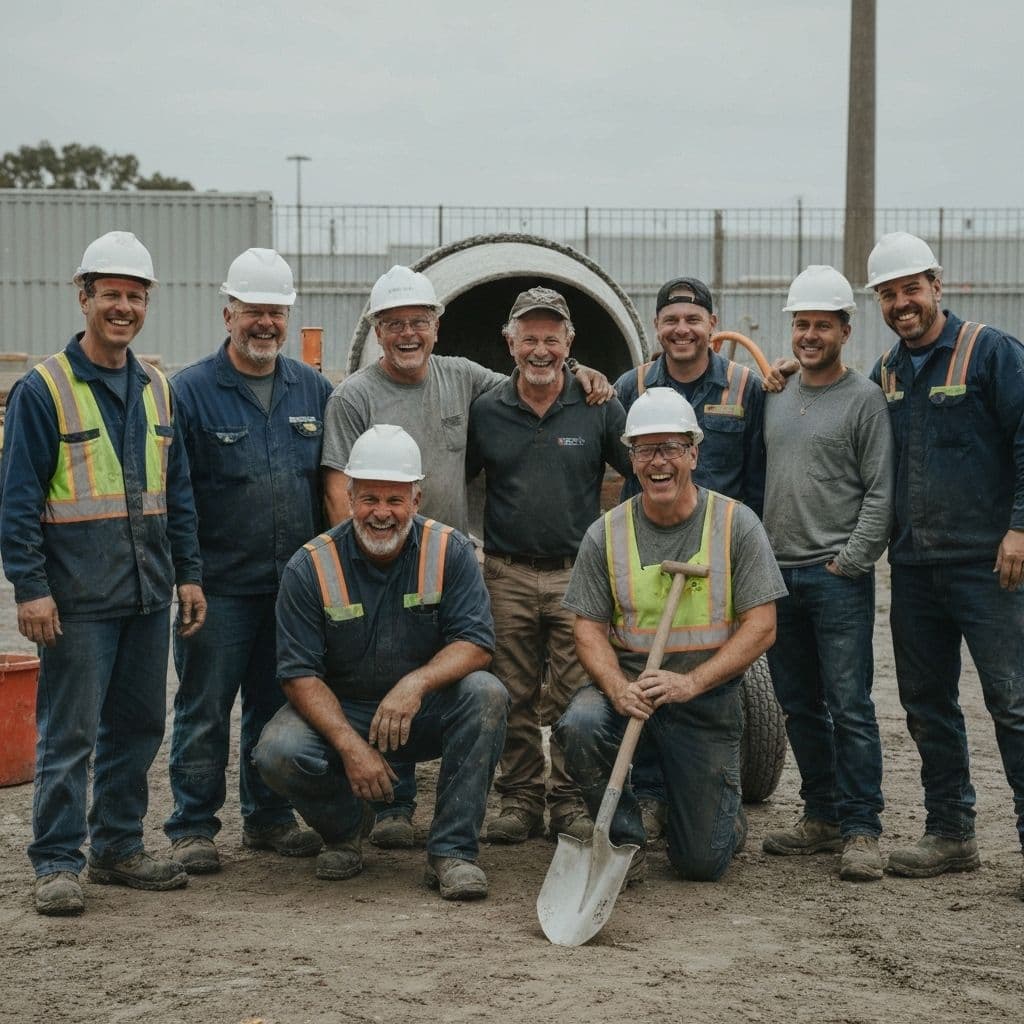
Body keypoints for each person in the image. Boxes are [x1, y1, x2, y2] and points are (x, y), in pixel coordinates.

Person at [320, 264, 612, 848]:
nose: (408, 333)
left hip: (466, 569)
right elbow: (335, 487)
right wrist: (355, 564)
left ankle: (558, 800)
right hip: (397, 562)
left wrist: (583, 372)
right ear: (377, 329)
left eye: (419, 322)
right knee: (411, 677)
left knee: (540, 692)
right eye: (395, 323)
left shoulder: (463, 379)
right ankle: (417, 804)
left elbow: (538, 377)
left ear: (436, 327)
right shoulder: (358, 395)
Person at [0, 231, 207, 915]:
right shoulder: (43, 391)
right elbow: (18, 503)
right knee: (70, 733)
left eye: (134, 296)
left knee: (140, 726)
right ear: (83, 295)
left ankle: (119, 847)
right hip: (78, 600)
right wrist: (30, 589)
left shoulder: (155, 389)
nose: (123, 307)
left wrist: (189, 575)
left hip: (148, 594)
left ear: (147, 304)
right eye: (111, 294)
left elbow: (176, 494)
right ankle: (58, 861)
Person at [253, 425, 508, 899]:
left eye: (395, 500)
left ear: (417, 499)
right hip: (344, 710)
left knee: (486, 695)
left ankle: (452, 853)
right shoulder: (310, 567)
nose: (382, 514)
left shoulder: (449, 550)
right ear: (349, 498)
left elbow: (476, 642)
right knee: (278, 749)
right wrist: (352, 749)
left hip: (424, 709)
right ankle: (347, 828)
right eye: (370, 499)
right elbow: (298, 674)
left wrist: (416, 684)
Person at [555, 388, 786, 882]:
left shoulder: (735, 524)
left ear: (694, 453)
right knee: (579, 722)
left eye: (671, 448)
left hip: (701, 700)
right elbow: (588, 629)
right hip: (631, 696)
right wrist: (618, 689)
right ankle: (625, 836)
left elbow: (762, 627)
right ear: (631, 459)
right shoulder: (607, 532)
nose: (658, 462)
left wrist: (690, 684)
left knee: (701, 863)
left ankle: (716, 813)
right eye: (644, 449)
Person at [864, 232, 1024, 891]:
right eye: (889, 294)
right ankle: (951, 833)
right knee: (926, 703)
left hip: (991, 569)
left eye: (911, 289)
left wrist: (1020, 527)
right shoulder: (888, 373)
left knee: (1013, 703)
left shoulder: (992, 352)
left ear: (937, 284)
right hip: (915, 569)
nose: (902, 303)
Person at [162, 249, 330, 874]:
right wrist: (187, 575)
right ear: (228, 312)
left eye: (276, 312)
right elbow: (177, 495)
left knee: (273, 702)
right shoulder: (191, 392)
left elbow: (327, 488)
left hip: (290, 589)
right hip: (218, 586)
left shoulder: (311, 388)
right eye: (254, 311)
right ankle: (191, 826)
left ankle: (267, 819)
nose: (266, 323)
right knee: (204, 706)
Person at [466, 287, 631, 844]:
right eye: (529, 338)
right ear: (510, 342)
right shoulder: (487, 408)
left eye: (552, 339)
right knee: (510, 690)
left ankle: (566, 800)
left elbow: (639, 471)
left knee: (571, 693)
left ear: (570, 343)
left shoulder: (597, 404)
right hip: (506, 573)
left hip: (576, 574)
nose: (541, 350)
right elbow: (455, 478)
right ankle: (520, 800)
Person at [613, 276, 767, 839]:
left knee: (705, 677)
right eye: (671, 320)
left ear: (711, 325)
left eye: (693, 319)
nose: (682, 329)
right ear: (657, 328)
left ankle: (711, 794)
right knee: (647, 666)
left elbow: (758, 476)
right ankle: (651, 791)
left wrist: (747, 554)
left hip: (719, 557)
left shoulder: (746, 387)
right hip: (650, 554)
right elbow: (622, 463)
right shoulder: (630, 386)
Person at [758, 266, 894, 882]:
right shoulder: (777, 391)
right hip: (779, 577)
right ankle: (822, 816)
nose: (810, 335)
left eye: (822, 325)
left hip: (837, 576)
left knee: (850, 704)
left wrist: (852, 560)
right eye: (802, 325)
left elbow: (879, 489)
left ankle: (862, 827)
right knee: (798, 705)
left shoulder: (864, 399)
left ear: (845, 327)